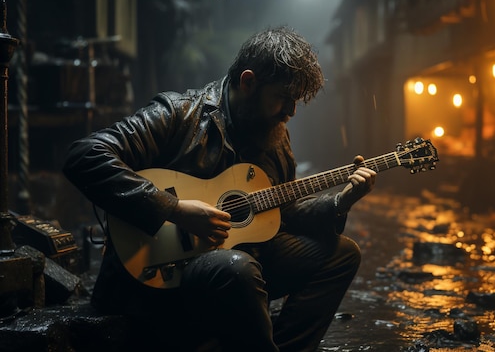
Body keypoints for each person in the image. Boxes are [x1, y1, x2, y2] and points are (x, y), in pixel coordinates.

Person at [63, 26, 376, 351]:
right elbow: (85, 155)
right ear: (248, 82)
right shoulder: (180, 113)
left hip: (240, 267)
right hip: (165, 274)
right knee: (235, 266)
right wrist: (175, 210)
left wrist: (339, 202)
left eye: (295, 101)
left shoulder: (274, 133)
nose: (290, 112)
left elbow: (281, 212)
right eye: (283, 98)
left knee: (342, 253)